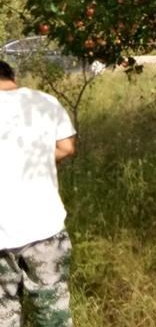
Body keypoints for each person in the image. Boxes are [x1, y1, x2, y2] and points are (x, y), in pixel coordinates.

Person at [0, 59, 77, 327]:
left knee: (4, 315)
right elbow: (66, 147)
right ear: (12, 77)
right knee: (53, 313)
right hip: (45, 230)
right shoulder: (44, 102)